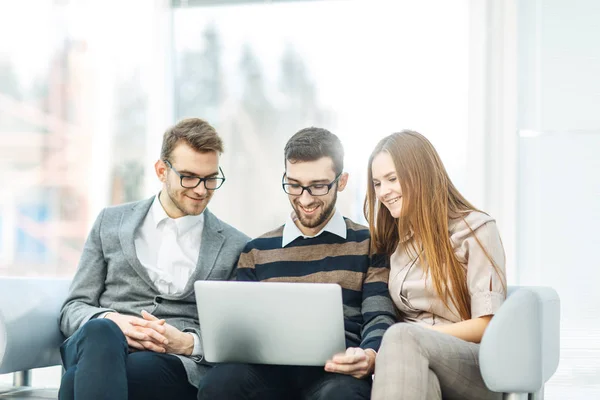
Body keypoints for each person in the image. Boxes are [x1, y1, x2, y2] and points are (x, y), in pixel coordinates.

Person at [197, 127, 397, 400]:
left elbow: (378, 315)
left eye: (318, 186)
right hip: (266, 373)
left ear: (341, 181)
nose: (304, 199)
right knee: (220, 384)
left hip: (336, 373)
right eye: (293, 185)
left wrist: (370, 355)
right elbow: (237, 332)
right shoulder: (256, 250)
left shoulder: (370, 243)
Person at [58, 118, 250, 400]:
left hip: (170, 362)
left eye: (210, 178)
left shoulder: (235, 245)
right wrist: (113, 320)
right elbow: (73, 307)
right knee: (101, 331)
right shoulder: (109, 223)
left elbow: (238, 335)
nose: (201, 189)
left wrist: (188, 343)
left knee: (78, 380)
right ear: (162, 170)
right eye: (189, 177)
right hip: (100, 344)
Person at [365, 130, 506, 400]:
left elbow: (487, 324)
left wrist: (417, 334)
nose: (384, 192)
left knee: (402, 338)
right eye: (377, 183)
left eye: (392, 179)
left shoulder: (475, 229)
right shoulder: (394, 240)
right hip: (409, 357)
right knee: (418, 374)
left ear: (421, 174)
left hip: (473, 362)